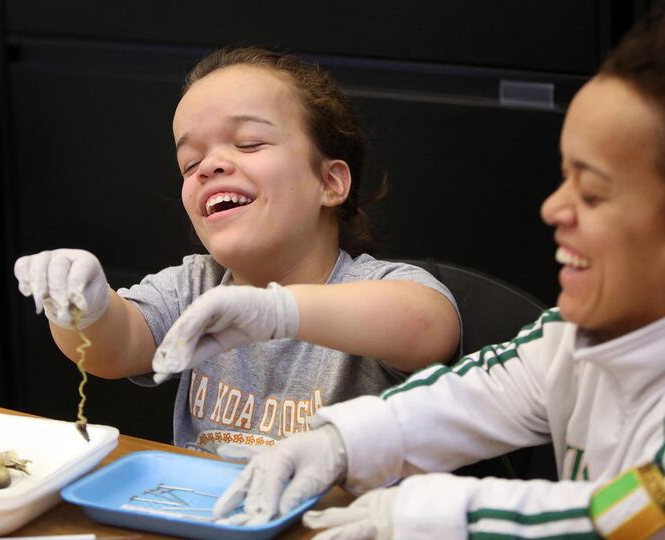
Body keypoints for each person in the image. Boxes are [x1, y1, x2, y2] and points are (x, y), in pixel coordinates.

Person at [212, 5, 665, 538]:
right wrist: (338, 443)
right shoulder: (572, 338)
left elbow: (625, 517)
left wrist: (419, 514)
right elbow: (475, 394)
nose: (554, 208)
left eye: (592, 193)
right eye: (564, 179)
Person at [13, 47, 461, 455]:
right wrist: (82, 308)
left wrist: (278, 311)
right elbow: (113, 349)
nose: (209, 166)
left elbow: (428, 327)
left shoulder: (376, 287)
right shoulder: (196, 285)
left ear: (330, 182)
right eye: (190, 163)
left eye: (249, 143)